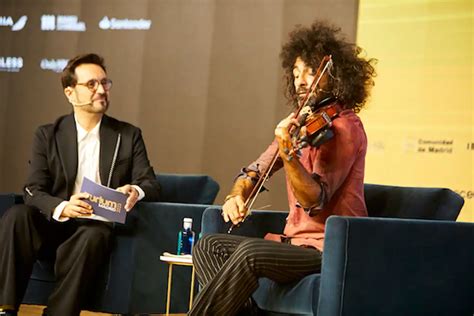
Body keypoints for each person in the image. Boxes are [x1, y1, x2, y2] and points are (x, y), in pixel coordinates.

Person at [188, 20, 377, 315]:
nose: (301, 81)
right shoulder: (300, 123)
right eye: (296, 73)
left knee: (250, 254)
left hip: (330, 249)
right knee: (207, 246)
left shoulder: (345, 128)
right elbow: (256, 168)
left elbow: (314, 200)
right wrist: (236, 194)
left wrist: (289, 153)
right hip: (294, 244)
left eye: (310, 72)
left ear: (335, 75)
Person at [0, 53, 160, 316]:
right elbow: (33, 189)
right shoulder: (47, 134)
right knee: (17, 216)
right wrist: (63, 207)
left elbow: (150, 183)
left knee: (94, 235)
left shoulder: (128, 135)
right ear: (70, 93)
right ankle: (5, 309)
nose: (101, 90)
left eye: (105, 83)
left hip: (96, 226)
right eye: (91, 84)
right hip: (56, 223)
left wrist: (135, 190)